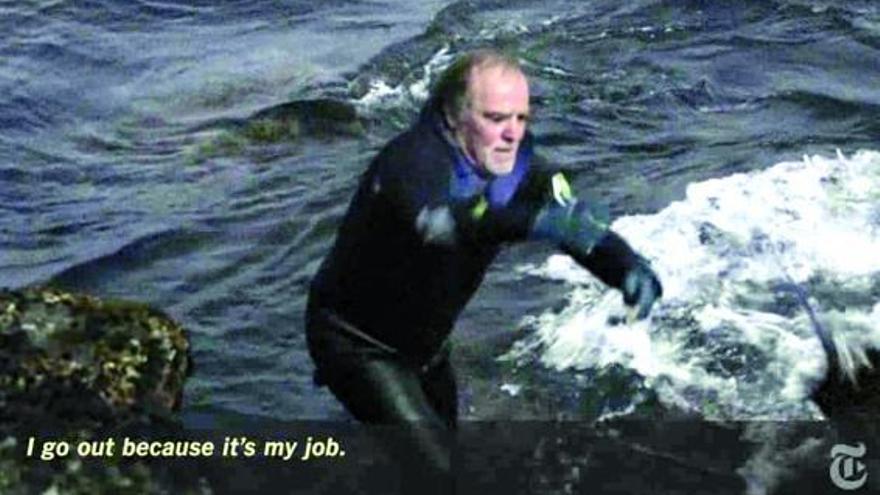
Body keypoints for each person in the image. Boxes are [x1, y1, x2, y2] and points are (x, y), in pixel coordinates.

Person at [305, 48, 662, 488]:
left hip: (427, 346)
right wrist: (530, 221)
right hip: (355, 341)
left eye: (521, 119)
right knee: (439, 475)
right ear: (454, 117)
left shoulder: (523, 170)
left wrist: (625, 266)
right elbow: (438, 224)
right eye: (495, 118)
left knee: (439, 458)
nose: (511, 134)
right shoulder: (412, 160)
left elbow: (574, 225)